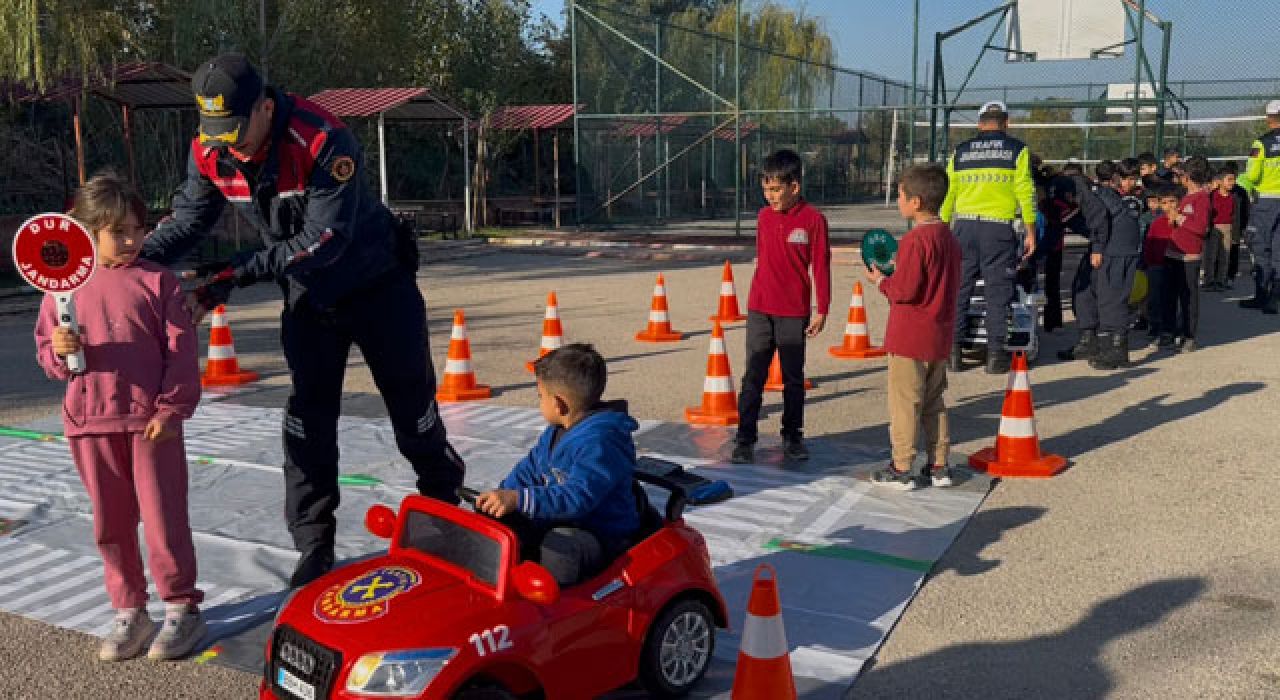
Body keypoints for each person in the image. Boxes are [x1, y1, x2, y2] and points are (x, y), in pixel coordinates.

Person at [139, 54, 465, 587]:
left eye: (236, 130)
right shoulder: (211, 149)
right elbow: (190, 220)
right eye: (215, 132)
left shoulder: (324, 140)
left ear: (265, 107)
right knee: (308, 422)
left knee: (412, 409)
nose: (228, 144)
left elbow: (322, 243)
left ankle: (444, 504)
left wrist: (229, 277)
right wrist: (129, 264)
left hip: (376, 284)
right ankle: (314, 543)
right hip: (309, 299)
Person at [34, 171, 206, 661]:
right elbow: (50, 357)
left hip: (151, 424)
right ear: (87, 232)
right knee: (110, 523)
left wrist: (173, 408)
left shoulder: (159, 282)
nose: (131, 240)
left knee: (163, 519)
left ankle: (181, 608)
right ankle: (130, 608)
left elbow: (180, 350)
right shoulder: (61, 289)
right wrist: (61, 351)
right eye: (118, 231)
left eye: (137, 228)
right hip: (89, 423)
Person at [475, 344, 639, 585]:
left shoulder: (601, 443)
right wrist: (502, 498)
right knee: (494, 525)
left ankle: (548, 610)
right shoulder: (556, 431)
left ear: (560, 405)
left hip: (601, 532)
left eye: (540, 397)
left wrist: (520, 499)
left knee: (560, 549)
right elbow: (529, 469)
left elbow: (577, 497)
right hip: (563, 518)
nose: (539, 402)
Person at [730, 149, 831, 464]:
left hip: (793, 312)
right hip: (760, 308)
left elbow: (821, 266)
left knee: (792, 378)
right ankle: (745, 439)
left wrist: (822, 308)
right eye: (765, 189)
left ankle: (792, 436)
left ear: (794, 187)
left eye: (775, 189)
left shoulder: (814, 221)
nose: (769, 196)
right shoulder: (762, 217)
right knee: (753, 376)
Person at [865, 164, 962, 490]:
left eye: (900, 194)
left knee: (905, 403)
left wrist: (881, 279)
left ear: (916, 201)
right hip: (939, 333)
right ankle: (939, 465)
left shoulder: (914, 241)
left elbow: (904, 290)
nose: (898, 199)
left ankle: (901, 466)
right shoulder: (948, 237)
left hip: (909, 337)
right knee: (935, 401)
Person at [941, 101, 1037, 374]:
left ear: (979, 123)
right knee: (998, 293)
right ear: (1006, 122)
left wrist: (944, 226)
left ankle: (954, 353)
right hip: (998, 229)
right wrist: (1030, 230)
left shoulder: (960, 153)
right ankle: (995, 357)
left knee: (960, 290)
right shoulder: (1017, 151)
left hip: (964, 227)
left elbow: (949, 194)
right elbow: (1026, 193)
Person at [1059, 160, 1142, 369]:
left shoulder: (1074, 187)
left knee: (1111, 294)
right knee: (1084, 286)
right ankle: (1089, 339)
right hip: (1106, 236)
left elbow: (1098, 215)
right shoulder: (1064, 189)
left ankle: (1117, 349)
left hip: (1118, 241)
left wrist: (1097, 247)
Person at [1163, 156, 1213, 351]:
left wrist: (1179, 217)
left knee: (1188, 297)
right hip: (1173, 253)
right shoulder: (1186, 195)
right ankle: (1171, 331)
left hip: (1189, 257)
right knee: (1170, 295)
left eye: (1182, 173)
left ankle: (1189, 335)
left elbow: (1201, 228)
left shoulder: (1202, 198)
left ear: (1189, 176)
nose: (1179, 177)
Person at [1238, 100, 1280, 313]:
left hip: (1267, 201)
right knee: (1279, 248)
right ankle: (1276, 297)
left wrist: (1244, 181)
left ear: (1268, 118)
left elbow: (1253, 175)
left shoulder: (1261, 144)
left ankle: (1262, 295)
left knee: (1261, 248)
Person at [1145, 186, 1180, 346]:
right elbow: (1150, 243)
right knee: (1154, 297)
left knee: (1173, 297)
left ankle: (1173, 325)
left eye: (1172, 202)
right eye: (1164, 203)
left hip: (1176, 264)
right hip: (1156, 265)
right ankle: (1154, 324)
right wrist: (1148, 263)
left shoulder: (1183, 222)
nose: (1169, 206)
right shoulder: (1156, 223)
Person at [1202, 165, 1238, 291]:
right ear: (1220, 181)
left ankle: (1221, 280)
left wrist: (1236, 234)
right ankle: (1209, 281)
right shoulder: (1211, 196)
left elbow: (1235, 216)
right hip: (1213, 228)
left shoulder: (1234, 197)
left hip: (1228, 228)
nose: (1232, 183)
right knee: (1210, 256)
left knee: (1225, 256)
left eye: (1234, 179)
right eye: (1229, 179)